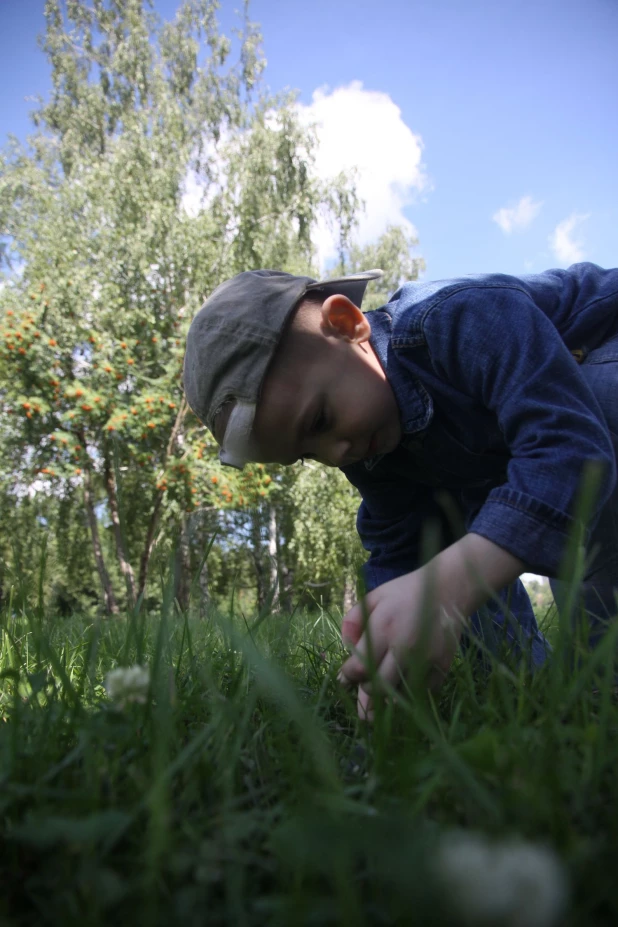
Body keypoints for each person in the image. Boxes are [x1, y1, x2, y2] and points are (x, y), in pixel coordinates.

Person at [183, 264, 618, 720]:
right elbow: (400, 541)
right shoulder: (365, 444)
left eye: (318, 422)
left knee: (584, 430)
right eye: (306, 453)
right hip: (543, 444)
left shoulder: (456, 316)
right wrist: (387, 645)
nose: (335, 453)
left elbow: (571, 447)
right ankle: (524, 686)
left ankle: (603, 672)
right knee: (441, 543)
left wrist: (451, 586)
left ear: (347, 325)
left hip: (595, 379)